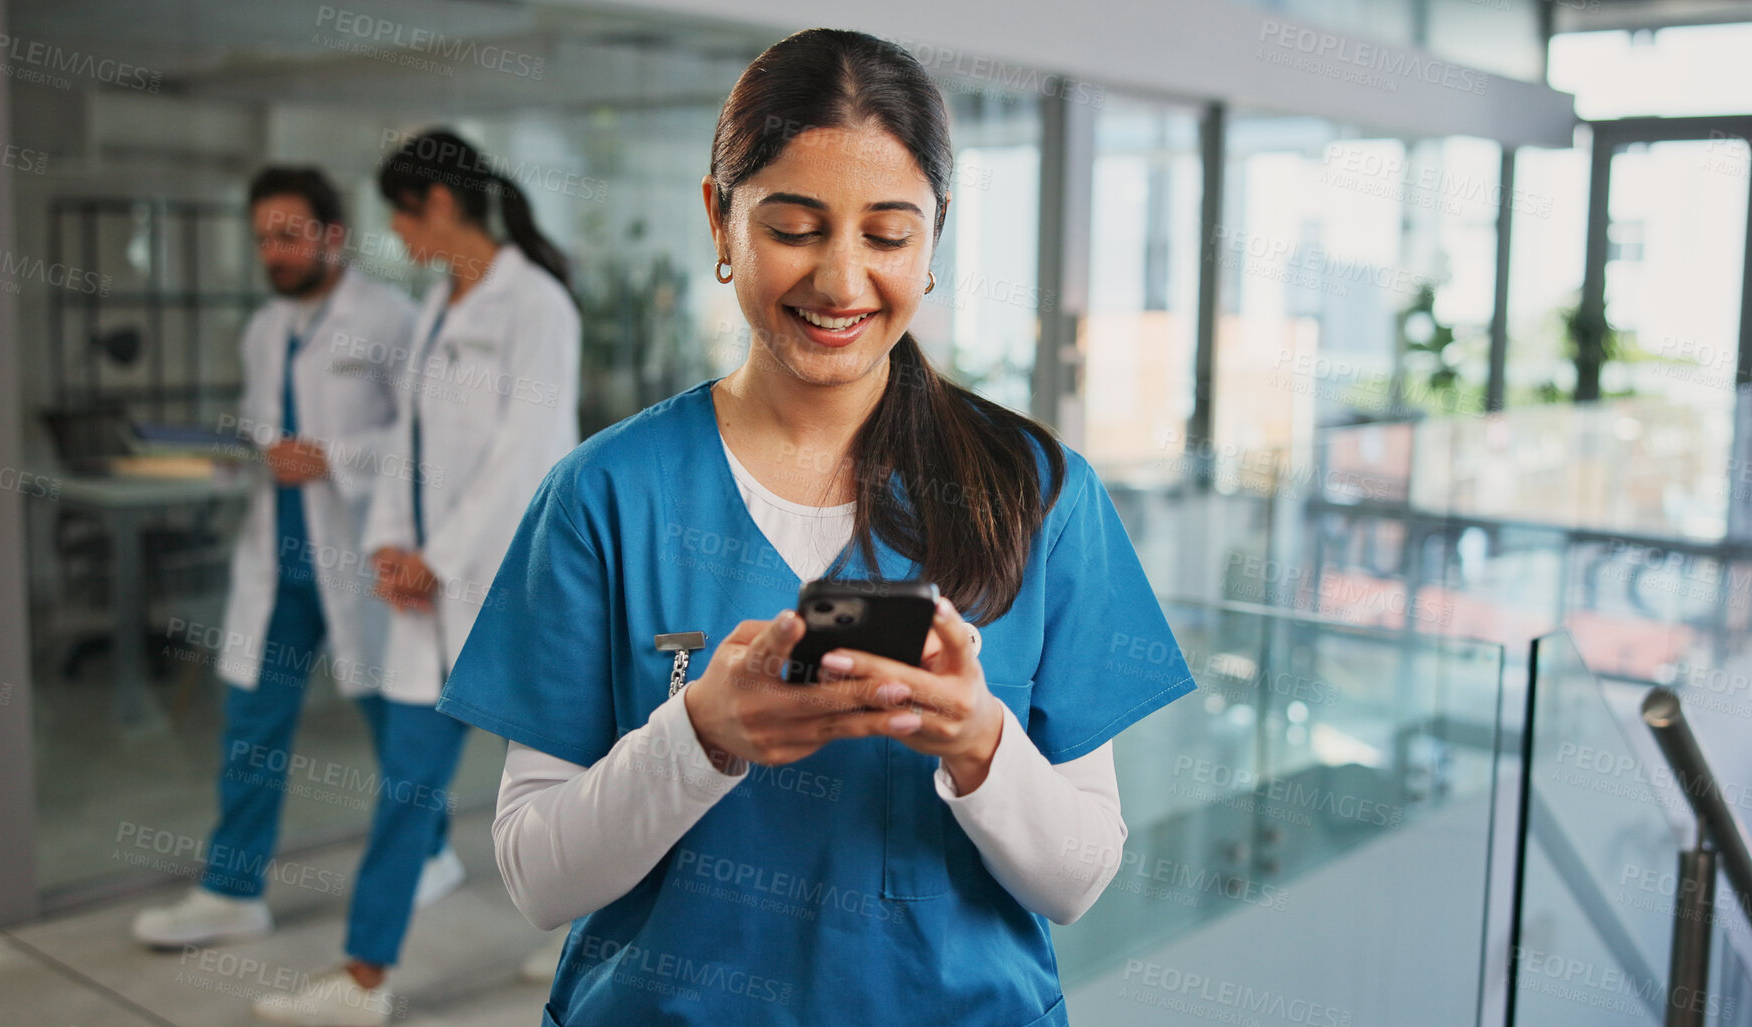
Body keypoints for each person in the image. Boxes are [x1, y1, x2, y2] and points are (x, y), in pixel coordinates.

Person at [437, 28, 1194, 1027]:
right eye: (794, 228)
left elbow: (1078, 877)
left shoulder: (1035, 493)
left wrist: (977, 741)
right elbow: (537, 875)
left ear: (935, 237)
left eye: (887, 236)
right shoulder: (605, 495)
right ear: (720, 219)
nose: (842, 283)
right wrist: (702, 734)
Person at [247, 130, 582, 1026]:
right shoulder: (438, 304)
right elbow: (406, 441)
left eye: (399, 212)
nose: (394, 233)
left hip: (509, 593)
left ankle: (585, 928)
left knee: (563, 782)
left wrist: (440, 558)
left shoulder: (535, 304)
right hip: (423, 598)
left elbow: (527, 460)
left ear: (436, 204)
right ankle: (364, 978)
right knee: (404, 787)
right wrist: (393, 546)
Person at [131, 167, 454, 957]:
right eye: (263, 238)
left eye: (288, 234)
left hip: (358, 558)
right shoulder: (263, 328)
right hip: (275, 563)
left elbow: (428, 437)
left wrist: (332, 455)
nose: (273, 252)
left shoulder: (391, 319)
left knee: (397, 720)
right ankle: (233, 889)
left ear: (332, 235)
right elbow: (262, 430)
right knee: (251, 727)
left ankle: (433, 850)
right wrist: (235, 457)